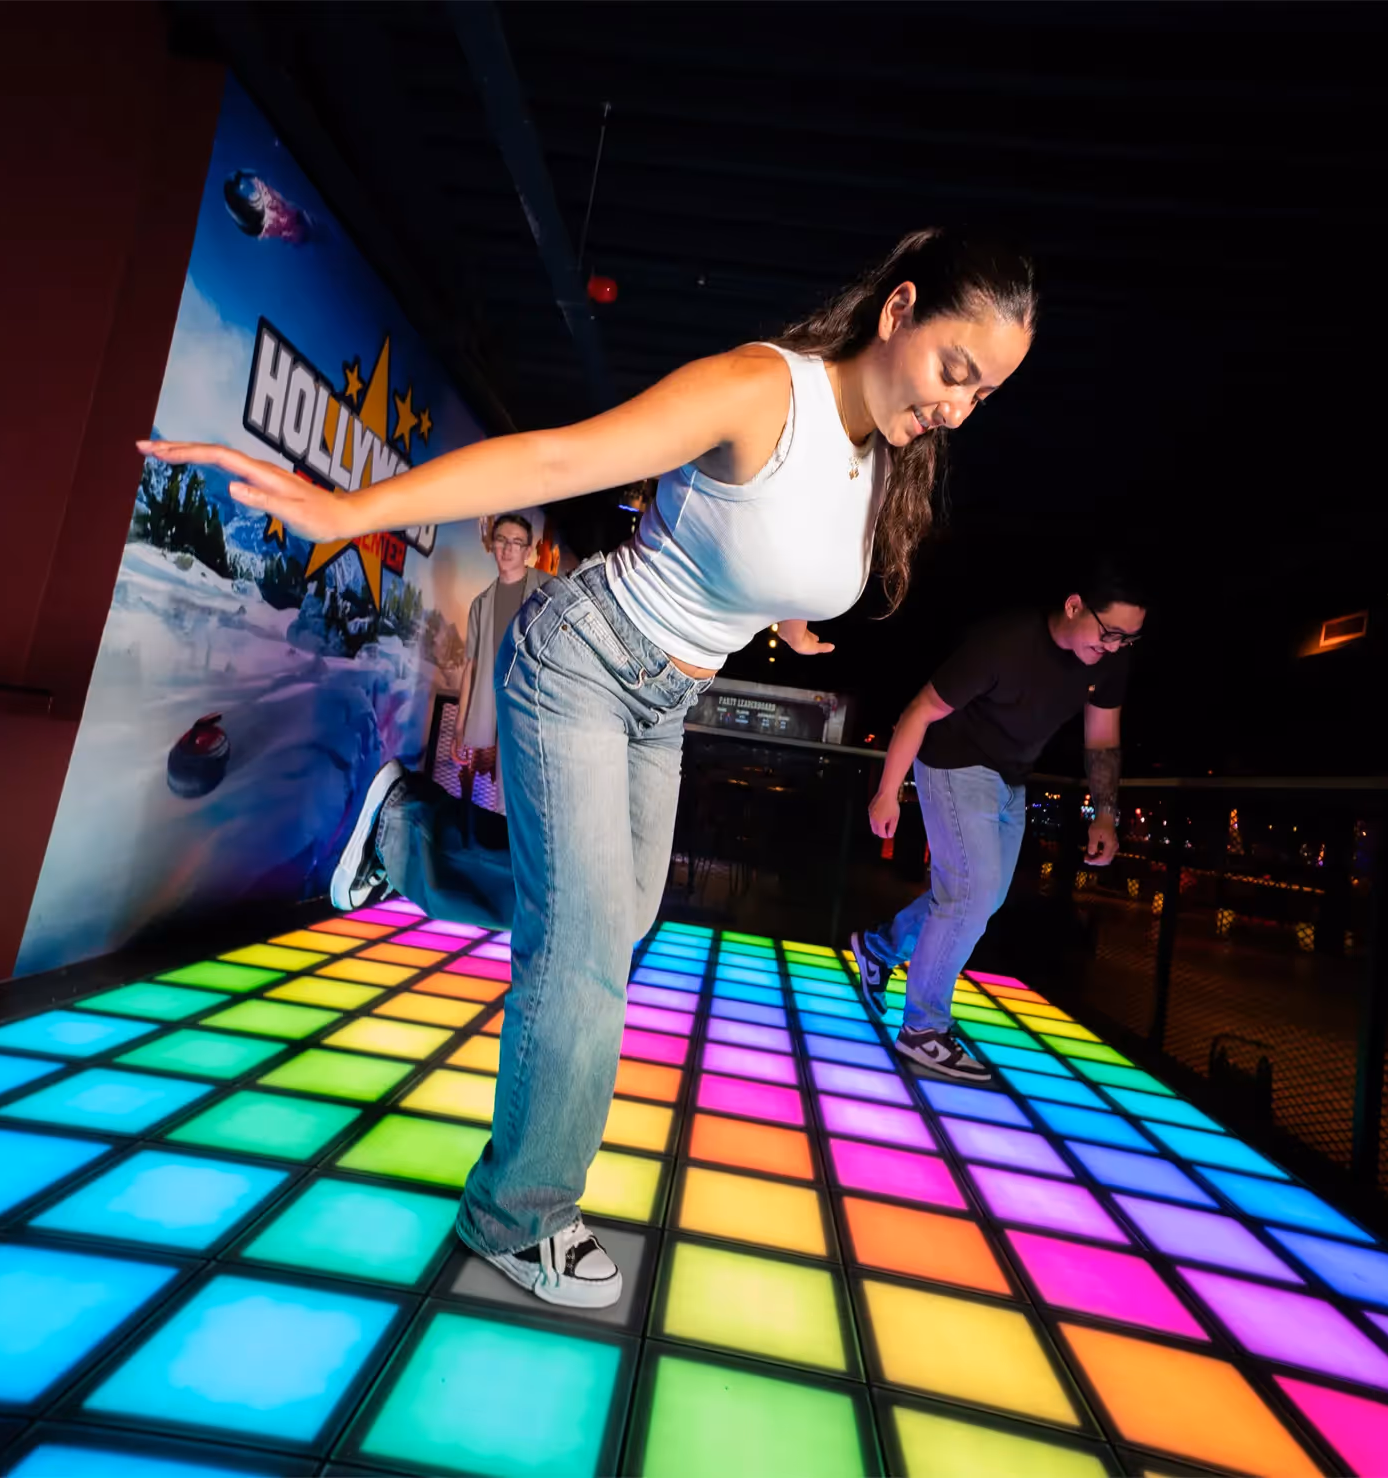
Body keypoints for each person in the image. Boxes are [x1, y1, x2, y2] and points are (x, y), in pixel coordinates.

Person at [140, 227, 1035, 1308]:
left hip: (666, 700)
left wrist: (784, 618)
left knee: (611, 926)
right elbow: (557, 458)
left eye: (984, 393)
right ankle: (516, 1214)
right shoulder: (759, 390)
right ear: (898, 312)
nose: (960, 406)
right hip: (579, 658)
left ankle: (403, 843)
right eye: (956, 369)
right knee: (578, 965)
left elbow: (761, 542)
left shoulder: (875, 457)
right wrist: (344, 511)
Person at [848, 556, 1147, 1078]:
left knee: (981, 897)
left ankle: (879, 948)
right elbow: (919, 710)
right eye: (1111, 633)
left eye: (1128, 639)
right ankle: (923, 1029)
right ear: (1075, 605)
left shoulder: (1109, 661)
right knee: (972, 893)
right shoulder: (1003, 644)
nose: (1116, 647)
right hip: (953, 762)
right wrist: (888, 791)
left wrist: (1105, 814)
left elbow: (1102, 740)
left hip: (1011, 778)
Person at [450, 512, 550, 809]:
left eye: (516, 542)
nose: (507, 549)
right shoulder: (480, 604)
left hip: (535, 710)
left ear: (528, 550)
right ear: (492, 544)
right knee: (499, 803)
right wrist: (459, 728)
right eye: (501, 540)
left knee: (532, 802)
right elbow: (472, 667)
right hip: (495, 712)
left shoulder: (548, 591)